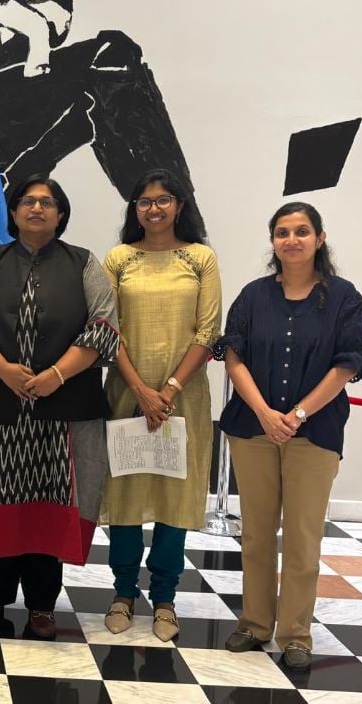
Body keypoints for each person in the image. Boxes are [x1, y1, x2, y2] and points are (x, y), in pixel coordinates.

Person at [0, 174, 120, 638]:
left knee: (49, 505)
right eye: (28, 201)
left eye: (48, 202)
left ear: (61, 214)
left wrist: (55, 375)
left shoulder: (85, 264)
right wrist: (5, 370)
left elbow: (103, 327)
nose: (37, 208)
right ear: (14, 212)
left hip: (62, 413)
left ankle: (43, 604)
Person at [216, 202, 362, 669]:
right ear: (273, 241)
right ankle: (255, 624)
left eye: (302, 231)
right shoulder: (253, 295)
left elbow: (346, 365)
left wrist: (296, 415)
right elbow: (233, 356)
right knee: (257, 535)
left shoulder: (344, 298)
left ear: (320, 239)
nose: (292, 240)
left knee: (302, 539)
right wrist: (265, 413)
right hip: (252, 429)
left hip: (315, 433)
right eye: (282, 232)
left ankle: (296, 635)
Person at [101, 168, 221, 641]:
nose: (154, 208)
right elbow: (108, 330)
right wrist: (143, 392)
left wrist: (167, 391)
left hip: (183, 400)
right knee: (125, 496)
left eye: (163, 200)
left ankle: (166, 597)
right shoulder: (119, 259)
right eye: (144, 201)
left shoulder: (199, 258)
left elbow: (207, 332)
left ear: (179, 205)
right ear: (135, 210)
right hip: (128, 396)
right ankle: (123, 592)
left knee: (176, 496)